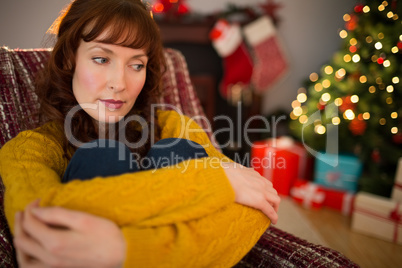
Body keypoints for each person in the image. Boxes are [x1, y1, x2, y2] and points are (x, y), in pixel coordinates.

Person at [0, 0, 280, 267]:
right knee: (103, 157)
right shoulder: (30, 149)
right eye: (100, 59)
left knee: (178, 151)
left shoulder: (173, 124)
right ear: (70, 60)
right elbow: (41, 220)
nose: (119, 83)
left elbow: (256, 209)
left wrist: (127, 249)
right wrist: (214, 182)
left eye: (136, 65)